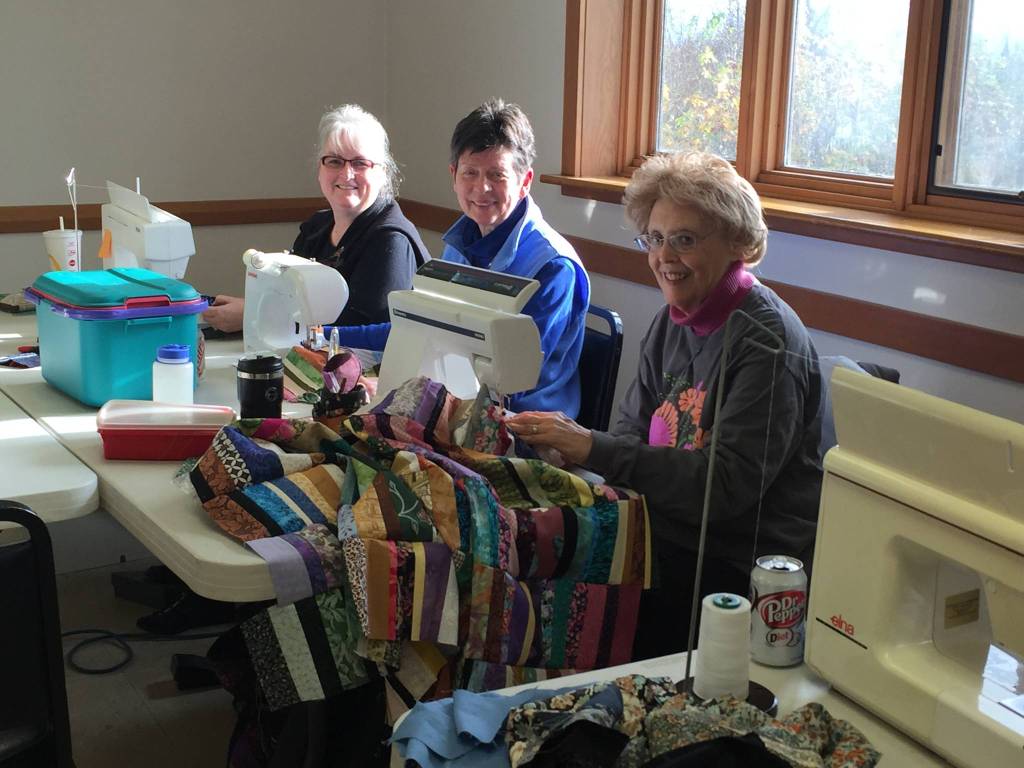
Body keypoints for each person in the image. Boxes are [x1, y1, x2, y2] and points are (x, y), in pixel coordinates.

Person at [507, 151, 823, 660]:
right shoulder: (671, 320)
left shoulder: (766, 342)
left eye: (686, 239)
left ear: (738, 243)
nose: (663, 256)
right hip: (664, 537)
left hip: (735, 572)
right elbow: (630, 439)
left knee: (558, 614)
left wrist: (592, 446)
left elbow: (721, 490)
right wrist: (577, 455)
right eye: (654, 238)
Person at [203, 104, 430, 334]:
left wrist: (252, 315)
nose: (347, 174)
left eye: (360, 163)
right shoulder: (316, 228)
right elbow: (288, 301)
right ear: (320, 169)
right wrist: (248, 309)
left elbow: (362, 334)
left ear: (382, 173)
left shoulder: (391, 240)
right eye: (334, 161)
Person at [442, 99, 590, 416]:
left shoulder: (552, 266)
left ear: (525, 181)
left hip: (528, 425)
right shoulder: (459, 243)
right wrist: (335, 334)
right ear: (454, 176)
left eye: (497, 174)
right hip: (462, 399)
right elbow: (423, 326)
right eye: (470, 172)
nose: (481, 188)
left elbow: (513, 378)